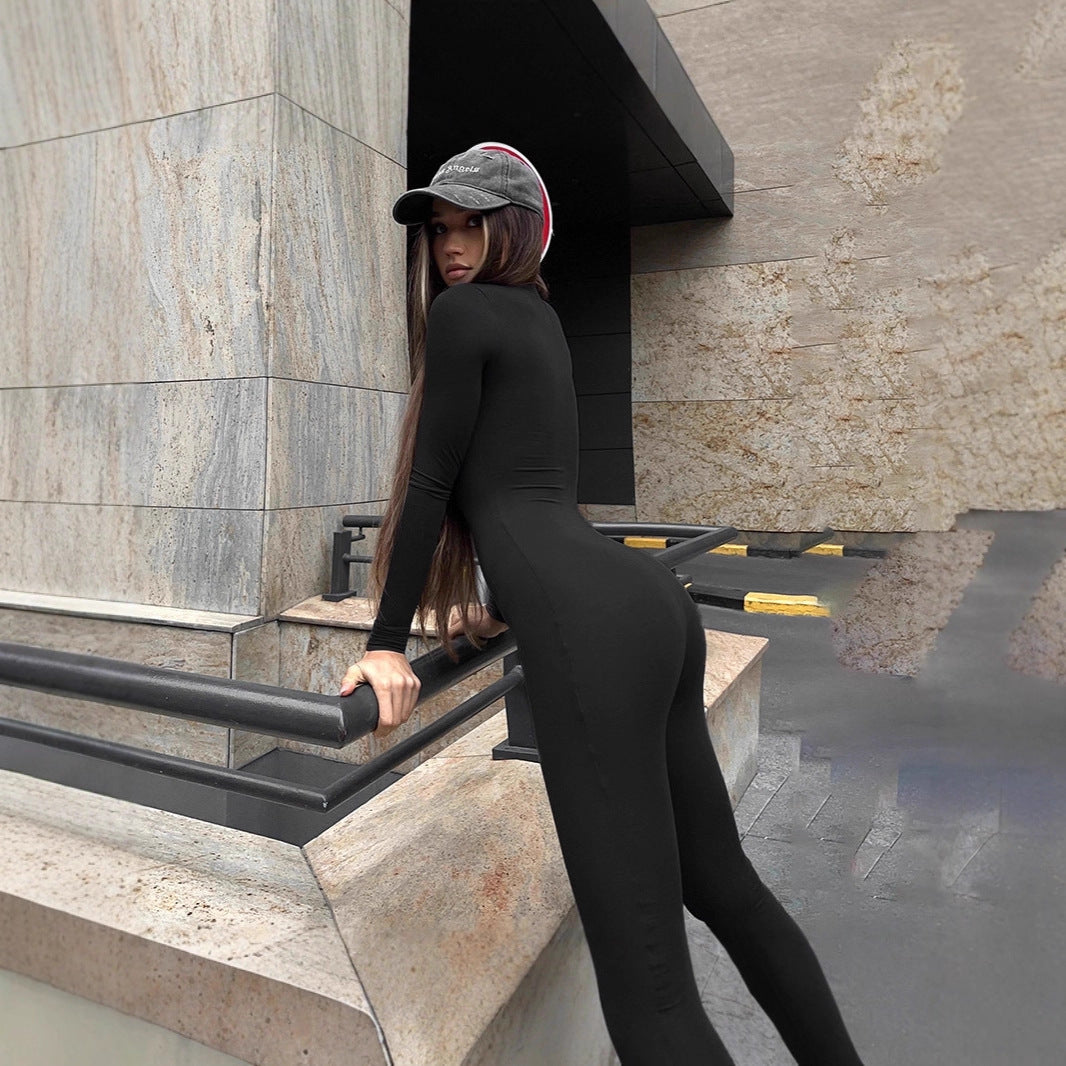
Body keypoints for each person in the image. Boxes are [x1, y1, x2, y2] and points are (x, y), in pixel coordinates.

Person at [338, 143, 865, 1065]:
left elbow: (433, 485)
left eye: (470, 225)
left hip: (591, 630)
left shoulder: (464, 316)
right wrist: (505, 604)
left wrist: (386, 643)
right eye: (439, 230)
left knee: (650, 999)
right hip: (647, 604)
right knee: (723, 886)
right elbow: (532, 493)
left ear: (514, 229)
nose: (450, 246)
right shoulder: (541, 321)